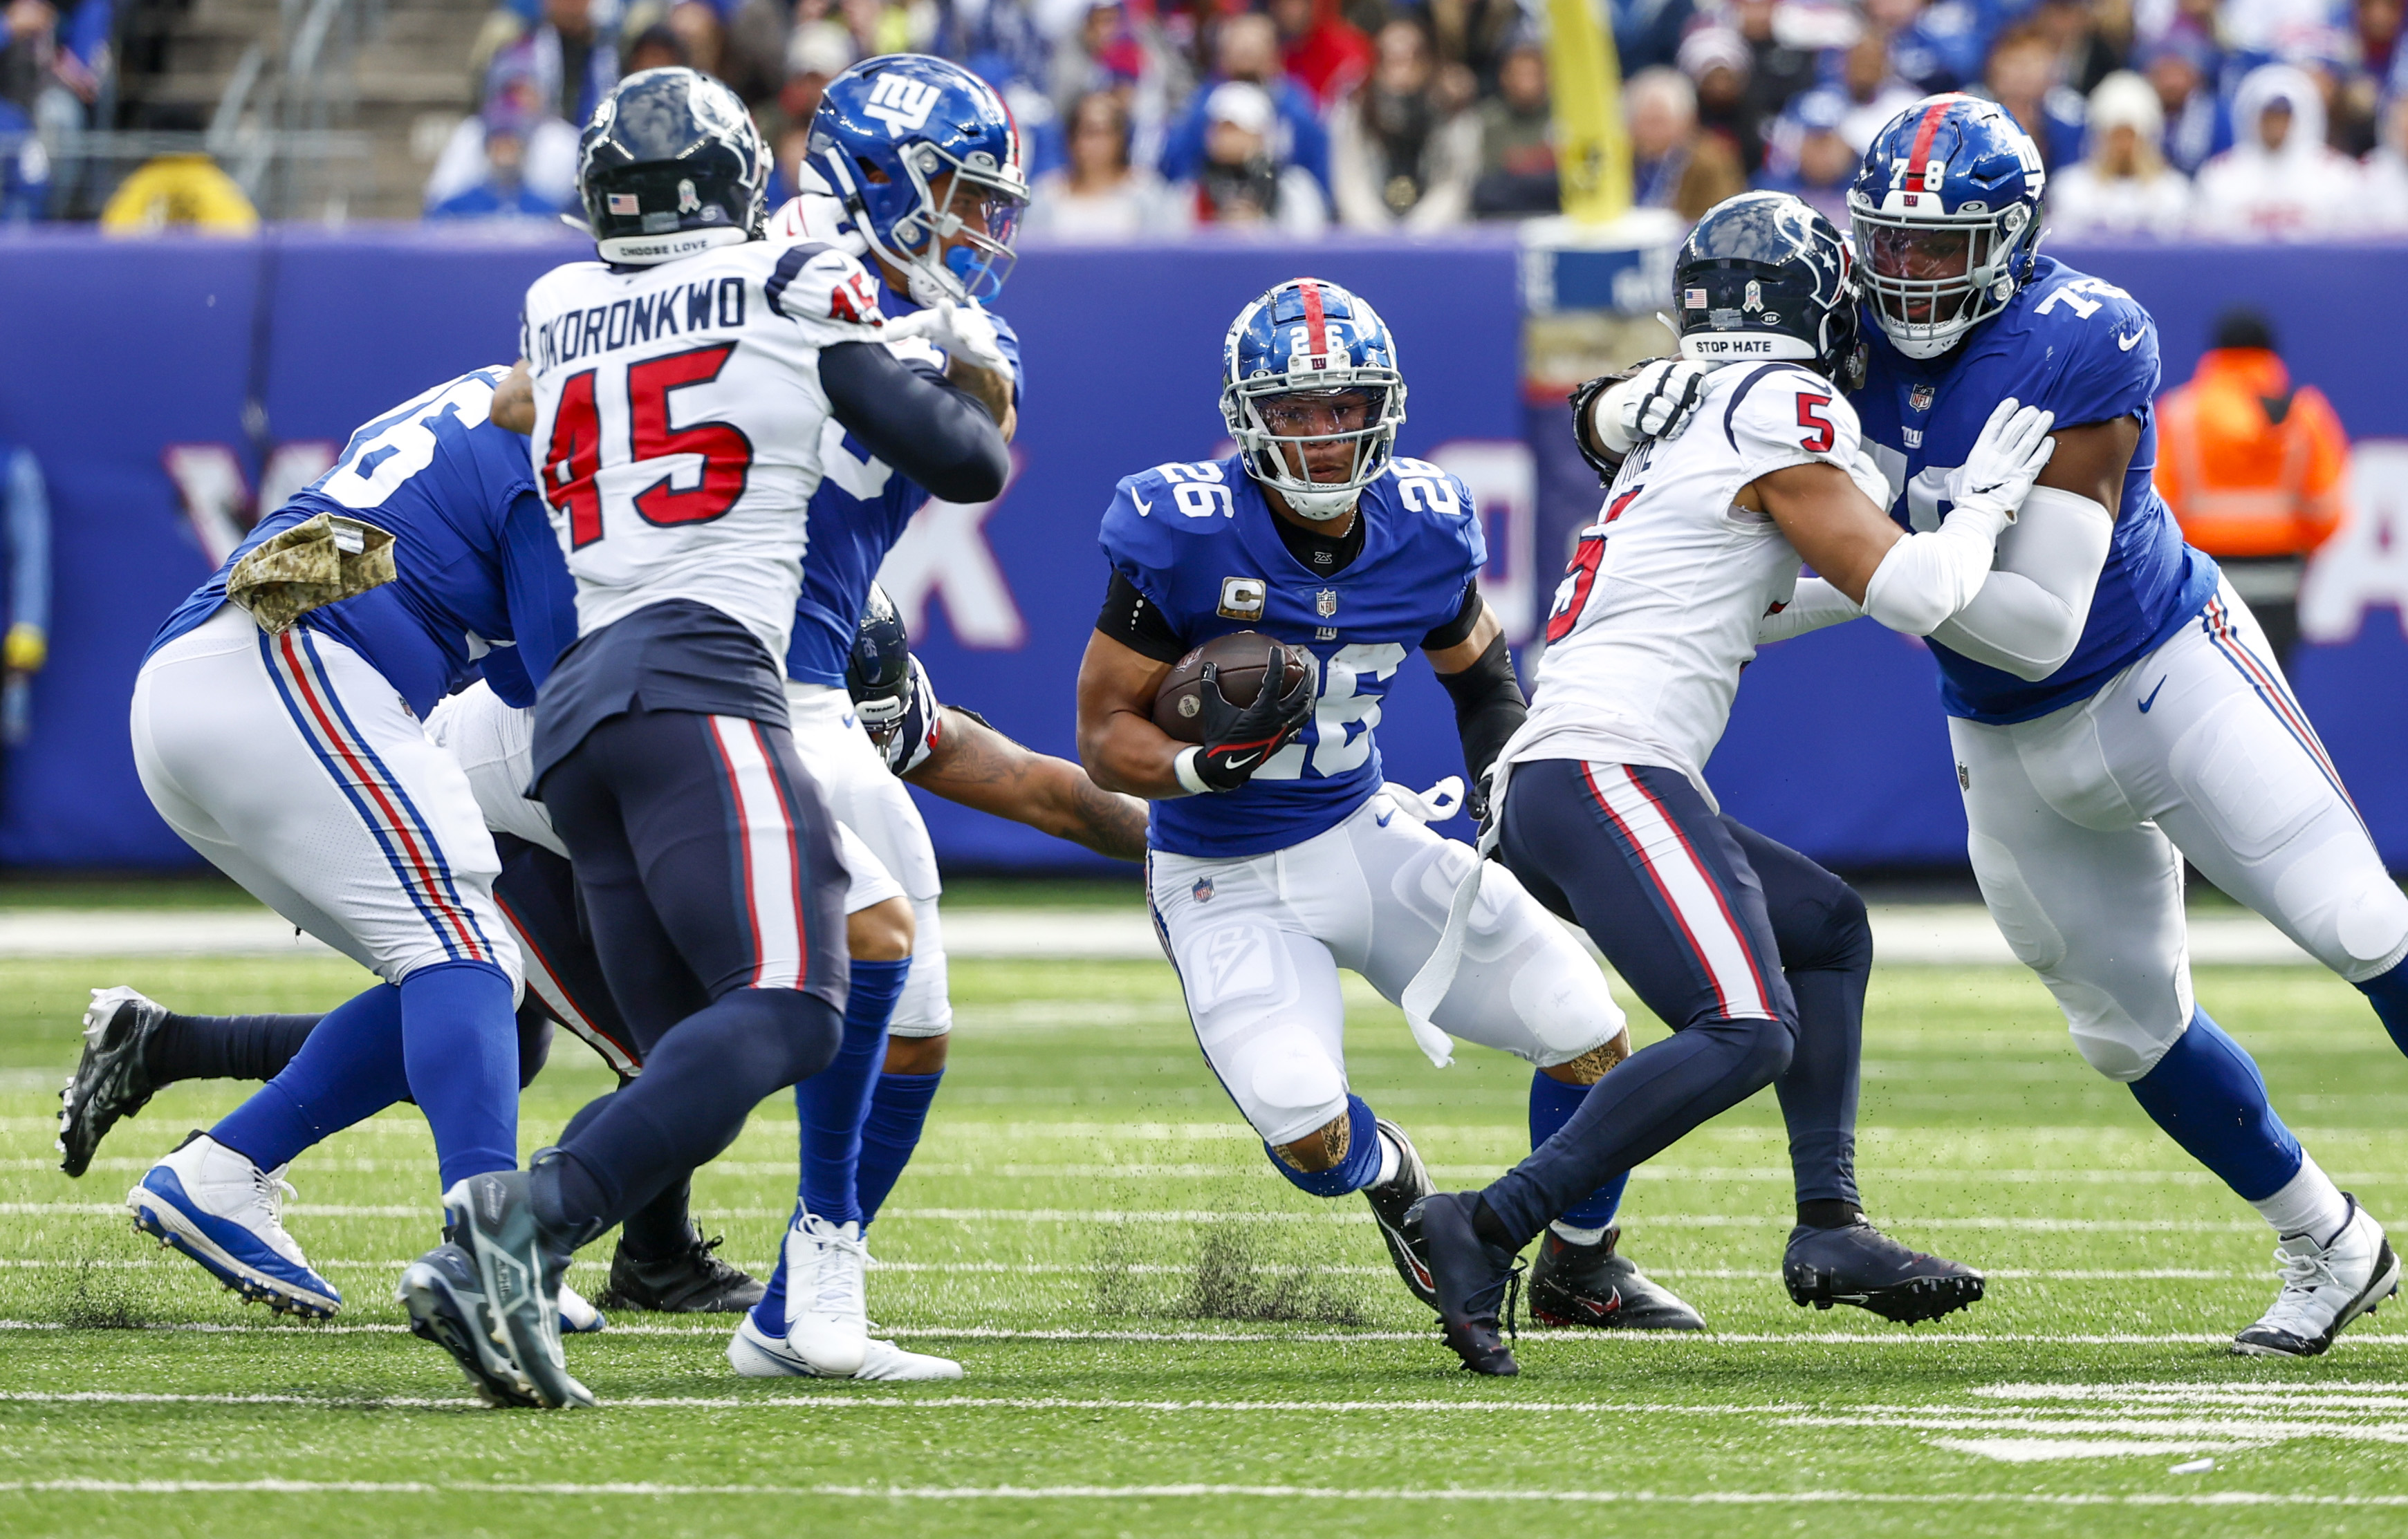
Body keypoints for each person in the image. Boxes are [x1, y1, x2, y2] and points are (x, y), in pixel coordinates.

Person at [1614, 95, 2408, 1360]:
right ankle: (2330, 1240)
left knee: (2363, 923)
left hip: (2157, 672)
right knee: (2124, 1030)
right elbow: (1631, 425)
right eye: (1891, 242)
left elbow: (2040, 620)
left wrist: (1894, 568)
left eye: (1943, 246)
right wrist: (1645, 432)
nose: (1909, 273)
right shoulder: (1836, 336)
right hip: (2001, 731)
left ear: (2013, 238)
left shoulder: (2076, 335)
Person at [63, 594, 1148, 1377]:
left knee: (552, 1029)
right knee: (676, 1053)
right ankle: (557, 1249)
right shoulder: (717, 706)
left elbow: (1022, 780)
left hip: (572, 785)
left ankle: (167, 1050)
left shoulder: (834, 696)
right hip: (507, 796)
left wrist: (1179, 842)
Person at [407, 64, 1012, 1410]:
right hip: (700, 679)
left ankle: (527, 1267)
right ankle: (516, 1231)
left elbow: (523, 397)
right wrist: (929, 346)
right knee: (801, 1006)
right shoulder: (790, 283)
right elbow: (967, 461)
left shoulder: (559, 306)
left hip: (578, 719)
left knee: (720, 1045)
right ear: (741, 182)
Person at [1411, 194, 2017, 1374]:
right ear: (1819, 308)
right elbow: (1912, 595)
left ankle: (1828, 1228)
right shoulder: (1783, 406)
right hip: (1603, 762)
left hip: (1567, 766)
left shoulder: (1687, 413)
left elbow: (1767, 600)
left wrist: (1931, 547)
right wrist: (1983, 516)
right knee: (1743, 1029)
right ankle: (1485, 1223)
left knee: (1826, 930)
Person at [1076, 277, 1706, 1341]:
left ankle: (1578, 1267)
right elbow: (1102, 736)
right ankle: (1401, 1183)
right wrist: (1201, 768)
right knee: (1305, 1124)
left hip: (1358, 831)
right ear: (1245, 417)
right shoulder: (1180, 528)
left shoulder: (1422, 522)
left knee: (1587, 1028)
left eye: (1345, 406)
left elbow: (1481, 676)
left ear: (1385, 406)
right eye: (1296, 411)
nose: (1325, 436)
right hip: (1219, 871)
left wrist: (1508, 793)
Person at [120, 366, 571, 1329]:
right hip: (286, 663)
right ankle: (491, 1251)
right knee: (468, 949)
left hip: (221, 665)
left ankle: (222, 1170)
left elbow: (393, 542)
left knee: (464, 969)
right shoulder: (565, 430)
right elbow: (553, 673)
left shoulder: (487, 396)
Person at [2154, 308, 2351, 664]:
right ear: (2271, 354)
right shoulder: (2306, 416)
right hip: (2281, 583)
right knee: (2274, 703)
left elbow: (2155, 506)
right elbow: (2328, 512)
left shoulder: (2181, 414)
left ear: (2215, 353)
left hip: (2202, 582)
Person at [1327, 17, 1479, 231]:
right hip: (1369, 234)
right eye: (1392, 59)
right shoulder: (1355, 112)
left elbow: (1453, 186)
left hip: (1437, 234)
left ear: (1427, 62)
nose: (1401, 69)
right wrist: (1380, 235)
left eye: (1411, 58)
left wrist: (1417, 234)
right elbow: (1351, 185)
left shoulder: (1452, 112)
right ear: (1377, 65)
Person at [2191, 62, 2362, 238]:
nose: (2276, 126)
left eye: (2284, 116)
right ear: (2252, 117)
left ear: (2304, 117)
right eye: (2269, 116)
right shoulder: (2220, 176)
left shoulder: (2337, 175)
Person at [2046, 69, 2192, 238]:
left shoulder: (2173, 192)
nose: (2123, 147)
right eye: (2116, 136)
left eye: (2131, 136)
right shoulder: (2071, 189)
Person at [1173, 80, 1328, 233]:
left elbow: (1308, 244)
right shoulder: (1190, 192)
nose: (1226, 137)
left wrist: (1259, 226)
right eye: (1220, 128)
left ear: (1261, 135)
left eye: (1236, 128)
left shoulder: (1294, 189)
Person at [1026, 89, 1169, 238]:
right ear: (1072, 138)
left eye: (1104, 132)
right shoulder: (1046, 195)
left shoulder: (1147, 194)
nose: (1095, 143)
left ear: (1121, 138)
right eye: (1087, 132)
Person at [1470, 31, 1555, 217]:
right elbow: (1485, 188)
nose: (1527, 83)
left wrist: (1522, 166)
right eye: (1520, 73)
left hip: (1554, 219)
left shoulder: (1565, 117)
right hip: (1500, 220)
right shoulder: (1485, 120)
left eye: (1534, 73)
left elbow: (1571, 183)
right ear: (1504, 77)